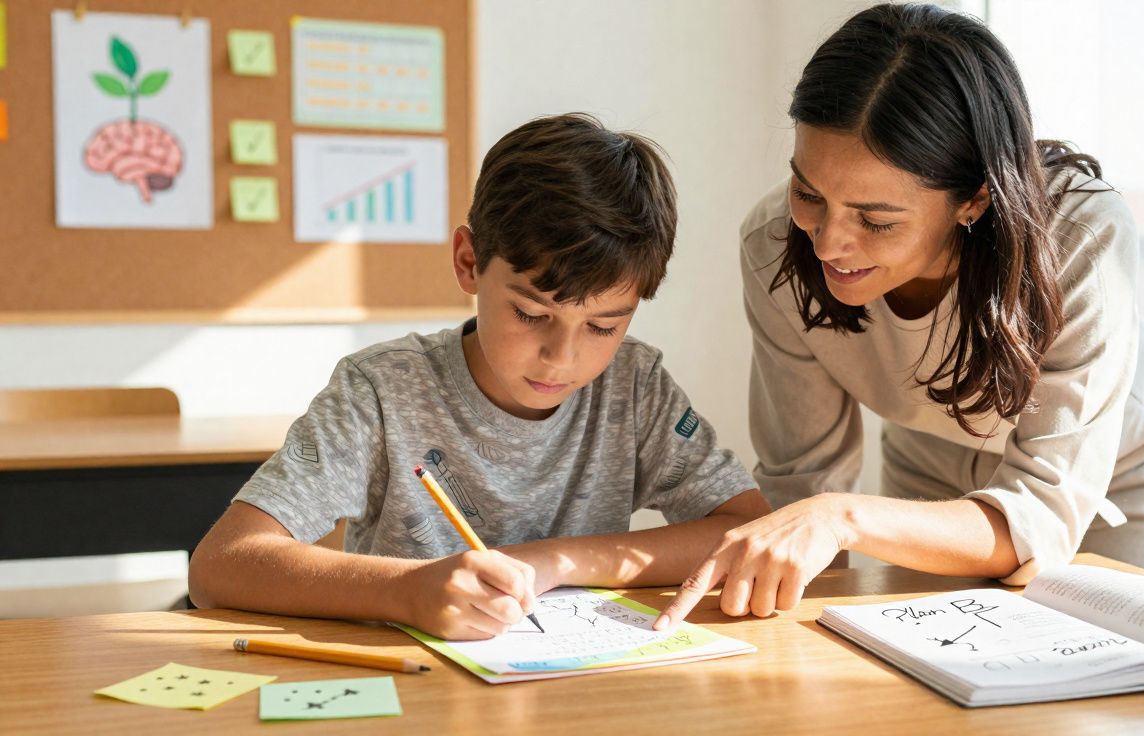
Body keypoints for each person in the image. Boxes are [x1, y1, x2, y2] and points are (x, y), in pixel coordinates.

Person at [656, 3, 1144, 631]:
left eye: (876, 220)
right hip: (928, 459)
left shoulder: (1079, 236)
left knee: (1088, 678)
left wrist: (841, 517)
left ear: (974, 199)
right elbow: (802, 486)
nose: (827, 244)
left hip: (1092, 480)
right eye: (808, 194)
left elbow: (1040, 517)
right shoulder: (773, 246)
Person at [189, 113, 769, 640]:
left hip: (578, 692)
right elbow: (219, 566)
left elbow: (746, 529)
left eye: (603, 325)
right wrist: (406, 592)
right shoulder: (382, 389)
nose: (562, 357)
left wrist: (555, 561)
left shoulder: (634, 385)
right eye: (531, 313)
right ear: (469, 262)